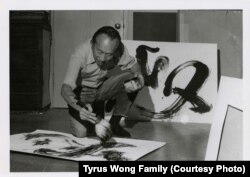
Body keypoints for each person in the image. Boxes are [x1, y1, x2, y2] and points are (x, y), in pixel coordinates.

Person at [61, 26, 144, 141]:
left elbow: (134, 66)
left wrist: (139, 76)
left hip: (102, 88)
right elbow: (65, 89)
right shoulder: (79, 54)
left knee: (133, 81)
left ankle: (114, 123)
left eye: (109, 54)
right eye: (99, 52)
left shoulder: (119, 50)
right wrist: (80, 108)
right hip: (82, 94)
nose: (103, 58)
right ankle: (98, 108)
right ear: (92, 44)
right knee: (82, 133)